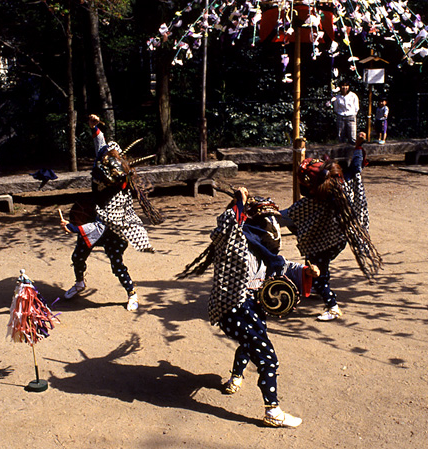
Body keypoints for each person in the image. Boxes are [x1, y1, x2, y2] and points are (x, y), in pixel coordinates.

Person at [178, 188, 320, 428]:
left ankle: (235, 376)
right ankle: (272, 411)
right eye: (269, 222)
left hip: (252, 308)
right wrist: (239, 204)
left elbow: (283, 265)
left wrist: (306, 272)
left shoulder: (263, 250)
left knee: (251, 342)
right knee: (267, 358)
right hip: (234, 308)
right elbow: (225, 228)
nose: (274, 228)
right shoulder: (233, 244)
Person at [279, 132, 382, 321]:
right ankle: (318, 285)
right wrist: (358, 146)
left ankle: (332, 305)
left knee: (317, 269)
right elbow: (357, 164)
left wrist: (262, 211)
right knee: (320, 266)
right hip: (340, 238)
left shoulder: (313, 203)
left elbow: (284, 217)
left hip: (323, 242)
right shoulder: (345, 181)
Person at [60, 116, 158, 311]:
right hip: (93, 219)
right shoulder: (106, 162)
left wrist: (73, 228)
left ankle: (132, 293)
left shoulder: (119, 195)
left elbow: (102, 224)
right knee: (77, 257)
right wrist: (95, 128)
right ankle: (79, 283)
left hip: (112, 230)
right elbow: (101, 147)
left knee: (117, 265)